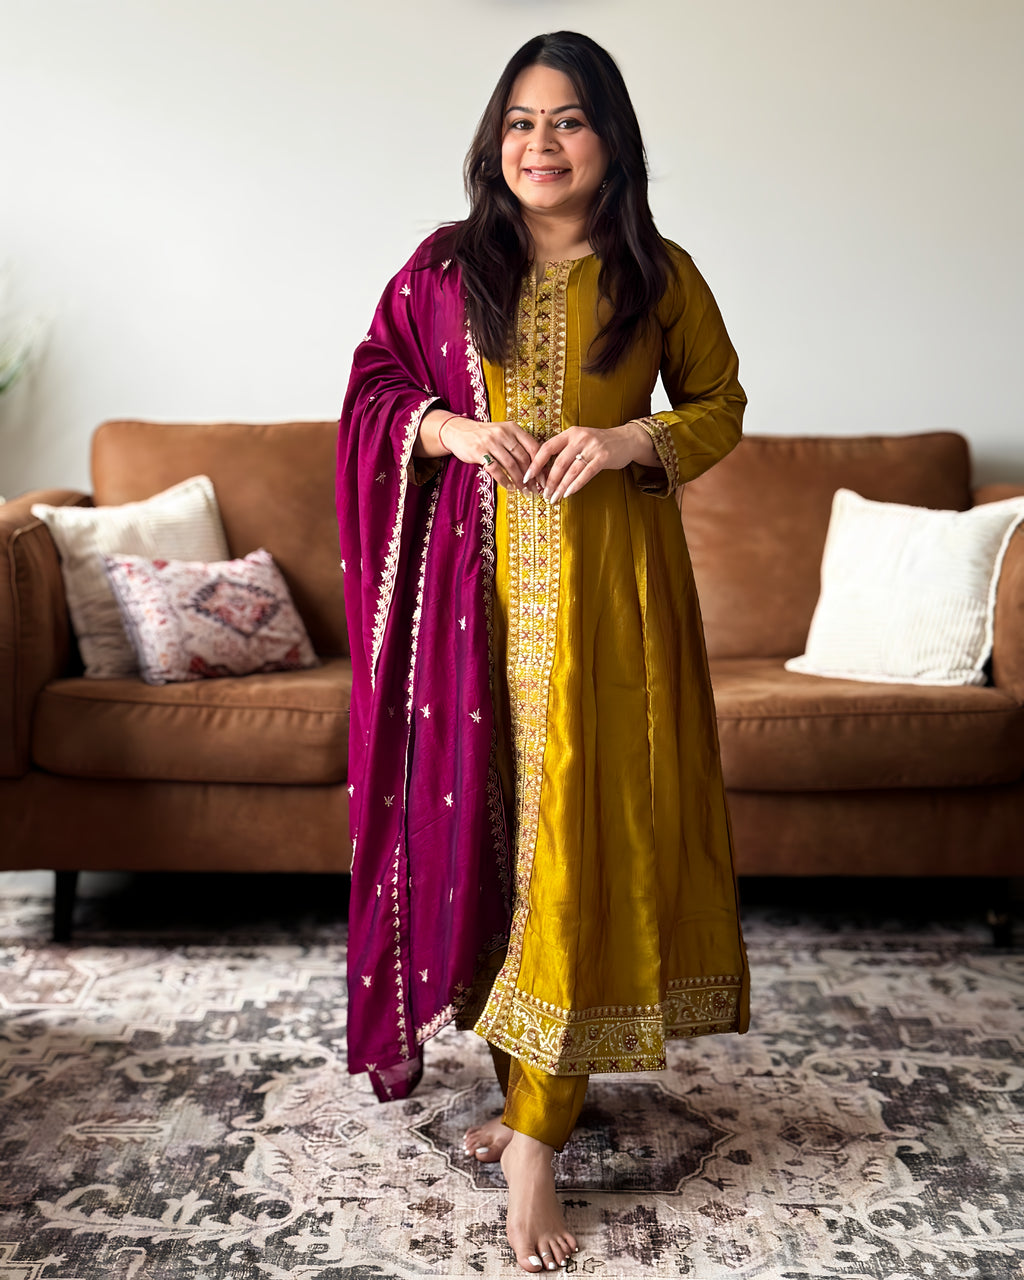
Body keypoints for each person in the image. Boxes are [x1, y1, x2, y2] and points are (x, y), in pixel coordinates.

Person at [337, 30, 750, 1274]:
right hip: (472, 601)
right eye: (519, 121)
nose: (540, 144)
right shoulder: (443, 271)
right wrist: (452, 429)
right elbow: (368, 397)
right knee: (495, 837)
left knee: (577, 835)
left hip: (613, 604)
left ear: (609, 139)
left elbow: (720, 406)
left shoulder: (658, 272)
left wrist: (629, 443)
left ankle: (537, 1137)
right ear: (492, 140)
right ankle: (525, 1093)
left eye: (567, 121)